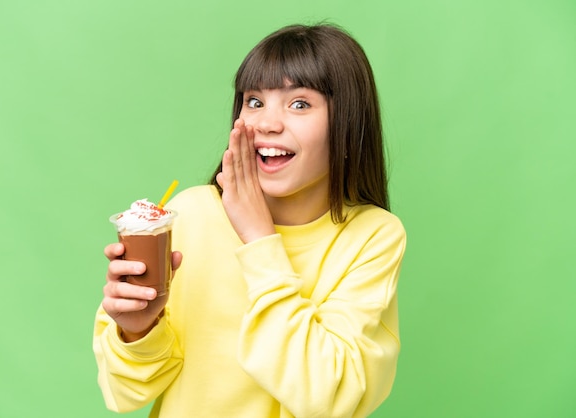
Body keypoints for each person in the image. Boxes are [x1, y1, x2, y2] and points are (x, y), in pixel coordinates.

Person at [93, 23, 406, 418]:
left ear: (347, 122)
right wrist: (137, 331)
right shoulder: (187, 216)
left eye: (299, 104)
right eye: (254, 101)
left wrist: (259, 238)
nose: (266, 123)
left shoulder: (372, 237)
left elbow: (328, 399)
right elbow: (123, 395)